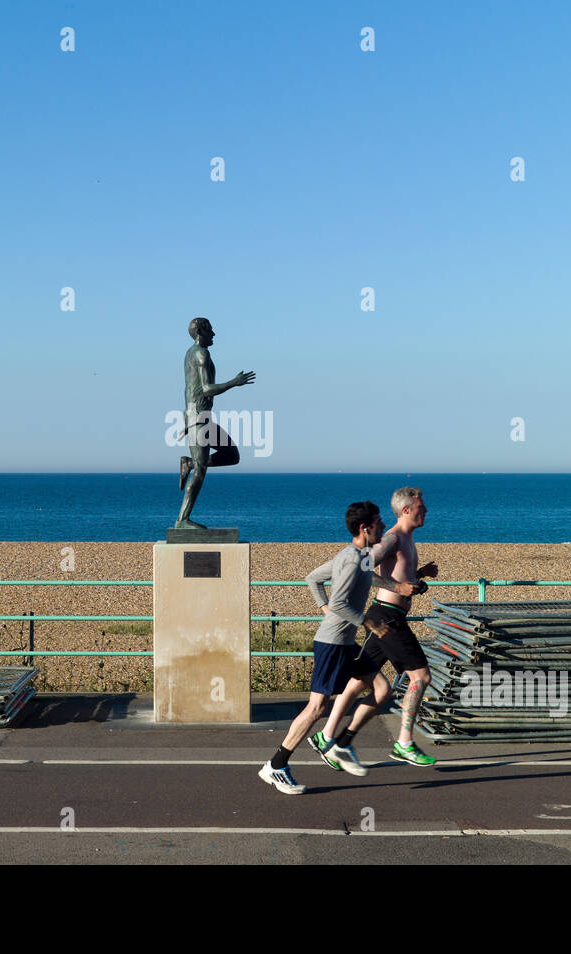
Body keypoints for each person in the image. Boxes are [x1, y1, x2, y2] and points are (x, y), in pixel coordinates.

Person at [258, 501, 415, 795]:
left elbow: (315, 578)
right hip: (332, 644)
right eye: (379, 522)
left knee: (382, 691)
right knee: (317, 707)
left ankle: (340, 745)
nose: (383, 526)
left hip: (345, 643)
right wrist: (365, 621)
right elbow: (341, 603)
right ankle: (276, 765)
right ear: (364, 528)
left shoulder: (362, 556)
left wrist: (401, 587)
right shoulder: (351, 558)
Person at [354, 486, 440, 765]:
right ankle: (404, 742)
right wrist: (397, 586)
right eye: (420, 506)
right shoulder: (391, 538)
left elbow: (399, 579)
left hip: (389, 615)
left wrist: (418, 577)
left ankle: (329, 737)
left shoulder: (407, 538)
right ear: (406, 510)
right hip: (387, 615)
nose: (425, 510)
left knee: (358, 682)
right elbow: (361, 569)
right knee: (421, 677)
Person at [175, 317, 255, 530]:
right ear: (201, 331)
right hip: (198, 416)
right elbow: (206, 388)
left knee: (232, 455)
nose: (214, 334)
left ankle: (189, 463)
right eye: (210, 329)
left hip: (201, 415)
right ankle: (182, 520)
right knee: (201, 472)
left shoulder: (192, 353)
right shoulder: (200, 353)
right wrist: (234, 383)